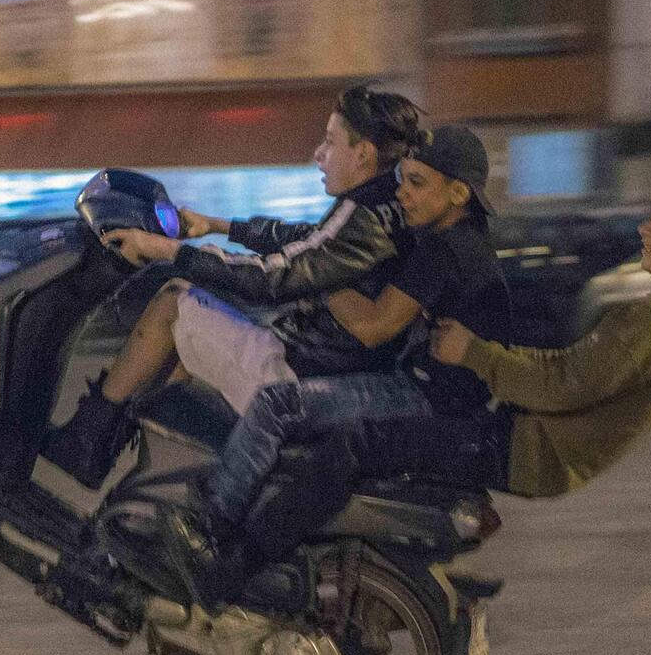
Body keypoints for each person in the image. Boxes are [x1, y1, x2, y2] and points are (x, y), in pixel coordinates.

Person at [161, 172, 651, 607]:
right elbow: (567, 367)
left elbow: (566, 384)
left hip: (521, 446)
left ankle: (232, 567)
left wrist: (475, 353)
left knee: (352, 444)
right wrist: (487, 355)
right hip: (526, 439)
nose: (646, 229)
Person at [39, 84, 423, 489]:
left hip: (300, 372)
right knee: (195, 327)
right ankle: (154, 473)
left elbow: (271, 276)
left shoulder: (361, 214)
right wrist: (217, 225)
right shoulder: (386, 206)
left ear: (362, 153)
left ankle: (85, 444)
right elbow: (303, 238)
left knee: (174, 301)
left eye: (330, 141)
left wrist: (168, 250)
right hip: (326, 363)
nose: (318, 154)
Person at [192, 124, 514, 537]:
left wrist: (320, 278)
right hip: (434, 392)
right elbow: (310, 238)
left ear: (458, 194)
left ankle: (212, 527)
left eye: (417, 183)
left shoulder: (447, 250)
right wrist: (225, 227)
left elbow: (374, 326)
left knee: (279, 405)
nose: (402, 194)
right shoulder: (454, 240)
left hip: (428, 400)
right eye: (402, 180)